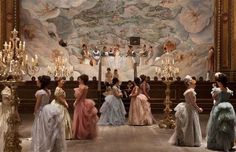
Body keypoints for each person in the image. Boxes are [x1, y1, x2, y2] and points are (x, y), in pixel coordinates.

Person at [32, 75, 66, 152]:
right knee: (48, 129)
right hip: (47, 109)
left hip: (42, 111)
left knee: (41, 129)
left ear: (41, 83)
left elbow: (38, 104)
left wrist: (35, 112)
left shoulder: (40, 92)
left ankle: (41, 147)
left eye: (38, 81)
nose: (37, 82)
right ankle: (49, 144)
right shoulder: (48, 91)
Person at [168, 75, 203, 147]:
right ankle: (189, 140)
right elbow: (193, 102)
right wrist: (198, 108)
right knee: (189, 124)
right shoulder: (191, 91)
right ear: (189, 84)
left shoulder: (188, 91)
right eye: (193, 83)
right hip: (190, 109)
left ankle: (188, 139)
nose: (195, 85)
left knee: (188, 124)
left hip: (188, 107)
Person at [206, 73, 235, 152]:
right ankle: (228, 143)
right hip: (228, 108)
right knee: (227, 126)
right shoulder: (228, 90)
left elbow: (214, 99)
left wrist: (214, 89)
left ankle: (218, 143)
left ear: (220, 82)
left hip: (218, 107)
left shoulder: (217, 90)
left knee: (216, 126)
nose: (217, 82)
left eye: (218, 81)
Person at [72, 74, 98, 139]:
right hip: (84, 102)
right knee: (84, 119)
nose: (78, 80)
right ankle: (86, 133)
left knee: (80, 119)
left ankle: (80, 133)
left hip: (80, 104)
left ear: (82, 80)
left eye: (79, 79)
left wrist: (75, 102)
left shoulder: (81, 87)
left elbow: (78, 97)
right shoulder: (86, 87)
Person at [0, 75, 15, 152]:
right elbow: (5, 102)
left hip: (10, 109)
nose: (12, 82)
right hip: (6, 110)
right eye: (11, 81)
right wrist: (11, 100)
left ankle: (10, 143)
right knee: (6, 126)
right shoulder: (5, 90)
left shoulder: (11, 89)